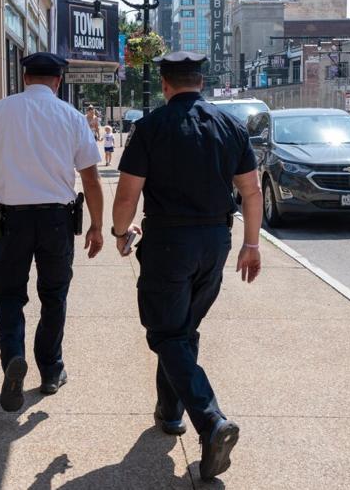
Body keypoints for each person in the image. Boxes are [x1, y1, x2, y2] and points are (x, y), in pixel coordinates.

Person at [111, 51, 262, 481]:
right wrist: (251, 243)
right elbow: (251, 192)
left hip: (167, 245)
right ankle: (169, 411)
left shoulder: (151, 128)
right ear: (201, 79)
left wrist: (121, 233)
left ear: (165, 84)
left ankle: (210, 420)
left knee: (164, 332)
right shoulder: (231, 126)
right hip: (215, 242)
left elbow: (127, 197)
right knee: (182, 330)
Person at [0, 52, 105, 412]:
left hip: (10, 221)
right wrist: (98, 226)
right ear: (58, 81)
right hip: (57, 220)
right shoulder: (71, 117)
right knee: (54, 295)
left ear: (24, 77)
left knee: (8, 295)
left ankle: (13, 356)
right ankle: (51, 371)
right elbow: (90, 176)